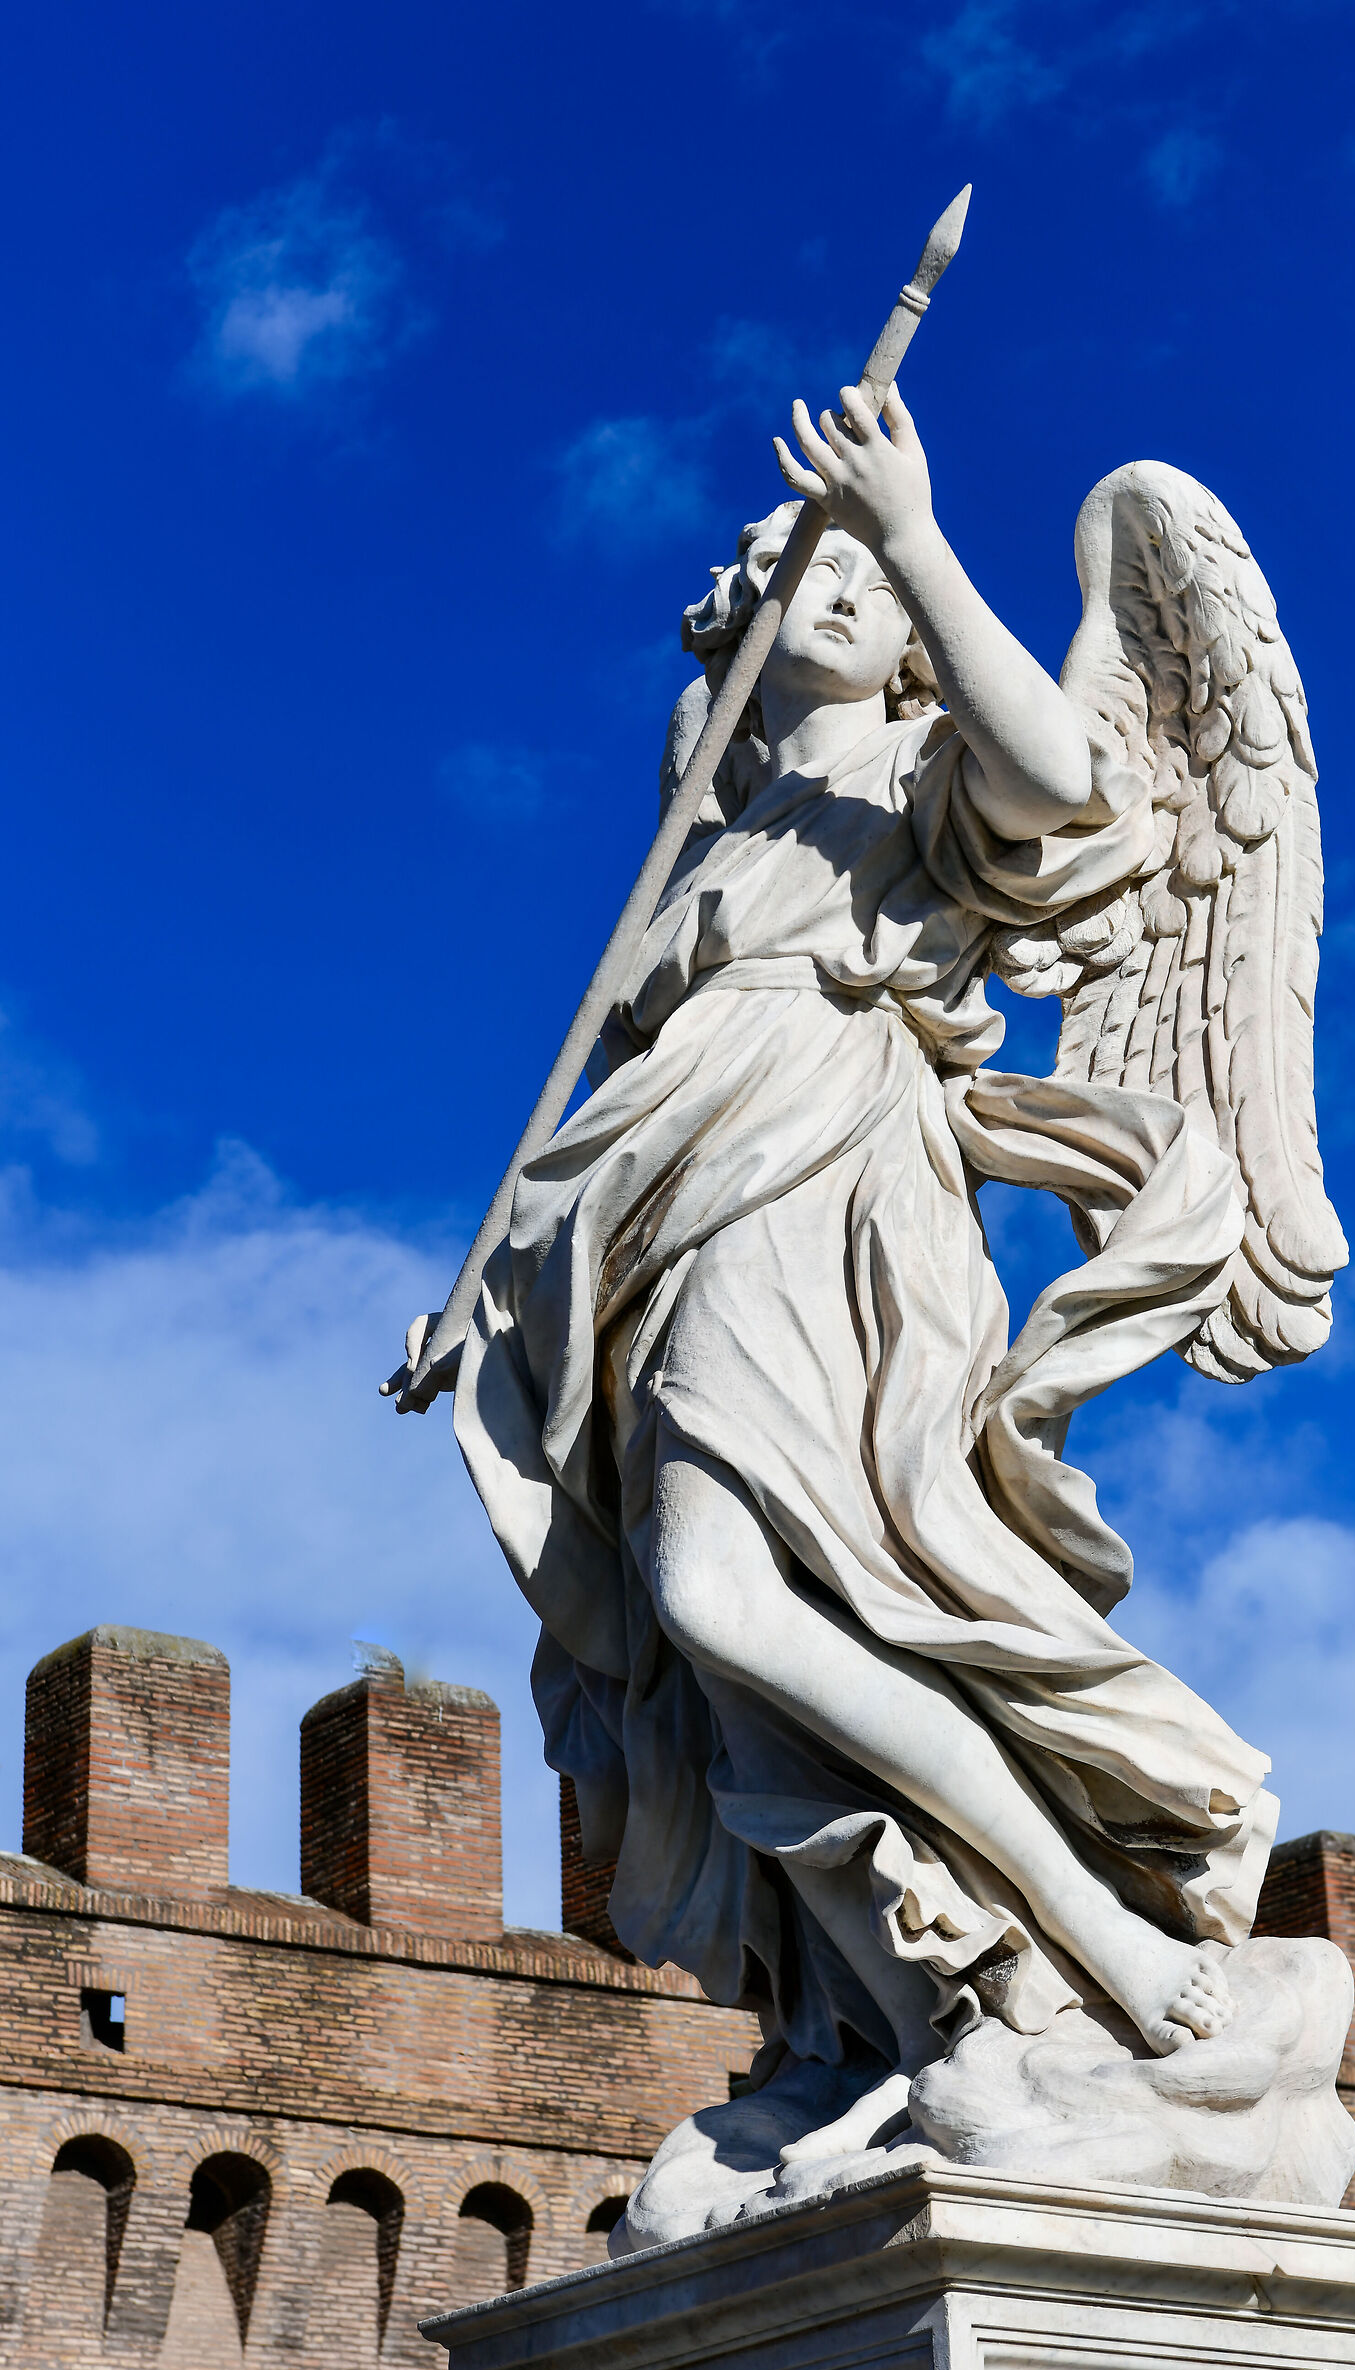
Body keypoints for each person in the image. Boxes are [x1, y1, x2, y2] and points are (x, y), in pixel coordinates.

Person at [443, 380, 1277, 2150]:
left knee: (732, 1595)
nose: (825, 584)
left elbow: (1058, 777)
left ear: (910, 633)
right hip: (652, 1221)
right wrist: (506, 1298)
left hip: (827, 1186)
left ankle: (1103, 1941)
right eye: (792, 563)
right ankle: (895, 2023)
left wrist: (912, 530)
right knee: (727, 1664)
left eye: (857, 575)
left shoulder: (919, 772)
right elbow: (619, 1090)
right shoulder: (711, 840)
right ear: (733, 623)